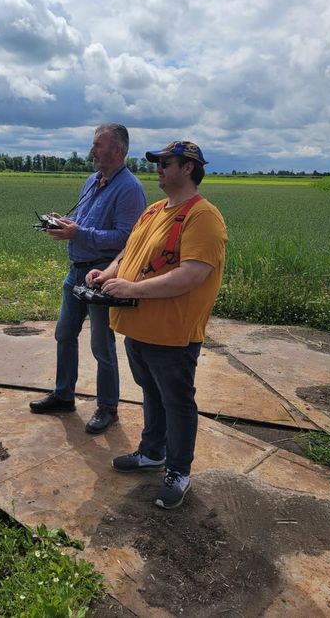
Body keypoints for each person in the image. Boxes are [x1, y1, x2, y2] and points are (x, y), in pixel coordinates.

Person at [86, 140, 227, 508]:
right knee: (151, 392)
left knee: (177, 401)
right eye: (158, 162)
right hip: (138, 326)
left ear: (188, 168)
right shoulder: (153, 211)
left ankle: (179, 471)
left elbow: (192, 275)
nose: (159, 168)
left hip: (172, 332)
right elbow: (127, 252)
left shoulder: (203, 216)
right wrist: (109, 272)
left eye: (167, 162)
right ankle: (152, 452)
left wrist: (133, 287)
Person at [29, 124, 146, 434]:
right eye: (94, 144)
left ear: (117, 151)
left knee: (101, 345)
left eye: (98, 145)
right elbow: (83, 223)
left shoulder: (130, 189)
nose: (93, 150)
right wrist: (66, 224)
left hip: (101, 275)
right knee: (64, 334)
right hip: (76, 271)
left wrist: (78, 233)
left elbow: (127, 238)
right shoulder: (92, 181)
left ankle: (108, 408)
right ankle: (64, 395)